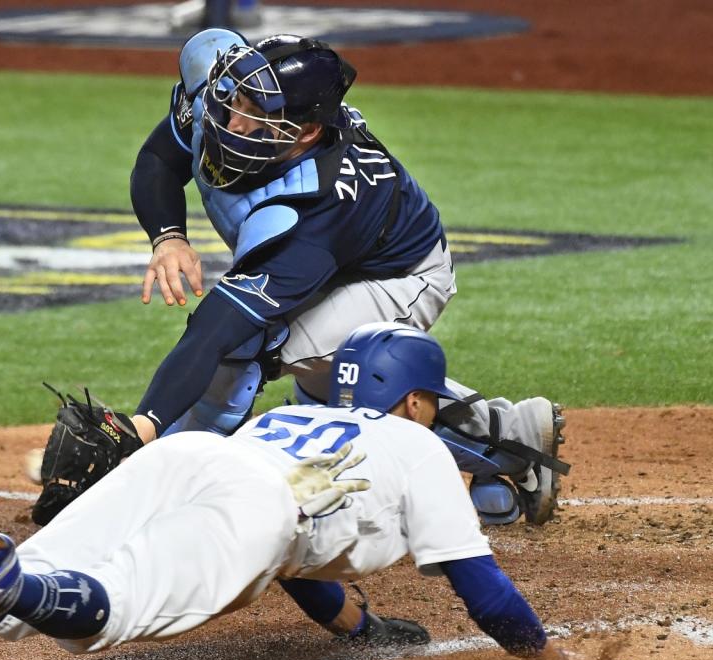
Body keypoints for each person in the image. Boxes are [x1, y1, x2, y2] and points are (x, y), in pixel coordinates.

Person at [0, 324, 580, 660]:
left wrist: (363, 630)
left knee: (52, 573)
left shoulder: (296, 415)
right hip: (256, 507)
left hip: (193, 456)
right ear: (416, 399)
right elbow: (482, 588)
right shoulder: (417, 446)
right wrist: (543, 656)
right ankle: (4, 584)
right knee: (103, 608)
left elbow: (301, 570)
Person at [125, 28, 568, 529]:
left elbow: (221, 328)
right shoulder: (227, 100)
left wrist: (144, 426)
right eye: (236, 100)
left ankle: (507, 448)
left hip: (399, 276)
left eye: (253, 114)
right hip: (336, 263)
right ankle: (507, 436)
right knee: (321, 388)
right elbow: (159, 159)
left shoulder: (317, 203)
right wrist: (169, 237)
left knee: (276, 353)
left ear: (306, 132)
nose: (231, 121)